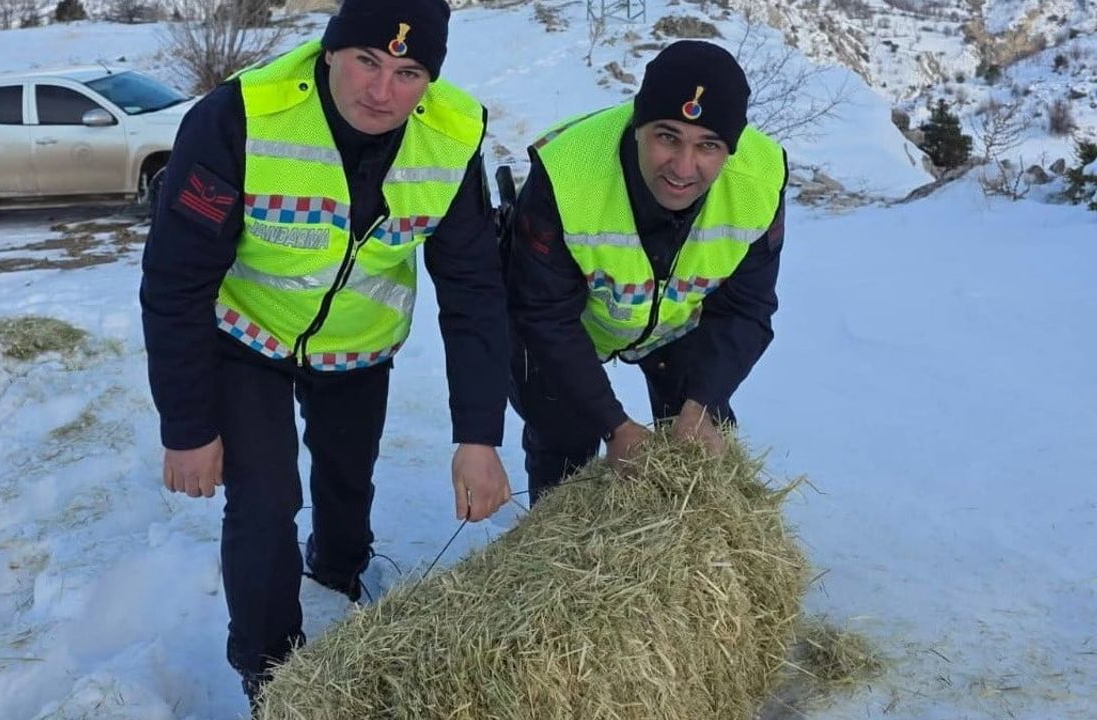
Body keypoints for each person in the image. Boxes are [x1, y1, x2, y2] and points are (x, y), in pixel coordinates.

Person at [139, 0, 512, 704]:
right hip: (247, 335)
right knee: (264, 502)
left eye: (408, 73)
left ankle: (339, 575)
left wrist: (478, 435)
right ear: (331, 50)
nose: (381, 92)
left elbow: (473, 292)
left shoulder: (454, 134)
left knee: (347, 483)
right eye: (367, 61)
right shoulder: (239, 118)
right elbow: (175, 281)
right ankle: (273, 673)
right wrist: (188, 427)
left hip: (356, 348)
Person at [506, 40, 788, 504]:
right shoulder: (567, 171)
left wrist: (703, 402)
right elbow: (542, 314)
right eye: (667, 137)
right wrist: (613, 425)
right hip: (566, 328)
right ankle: (554, 549)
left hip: (676, 326)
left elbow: (747, 308)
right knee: (564, 438)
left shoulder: (759, 179)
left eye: (708, 146)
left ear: (731, 150)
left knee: (701, 442)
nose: (682, 167)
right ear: (639, 124)